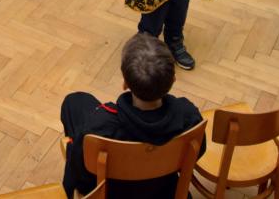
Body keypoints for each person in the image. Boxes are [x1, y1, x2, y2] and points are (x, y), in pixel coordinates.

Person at [61, 32, 205, 198]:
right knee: (78, 102)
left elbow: (82, 174)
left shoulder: (100, 128)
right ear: (172, 80)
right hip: (164, 191)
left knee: (74, 102)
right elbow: (198, 152)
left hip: (114, 193)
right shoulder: (189, 116)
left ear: (125, 83)